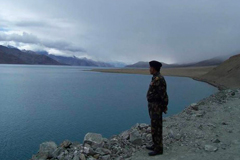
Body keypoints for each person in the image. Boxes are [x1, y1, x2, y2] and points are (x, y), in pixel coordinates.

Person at [146, 60, 169, 156]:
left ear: (153, 68)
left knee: (157, 127)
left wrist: (164, 106)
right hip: (153, 106)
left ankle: (159, 149)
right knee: (154, 126)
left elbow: (163, 95)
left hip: (157, 107)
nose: (149, 69)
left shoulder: (159, 79)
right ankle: (155, 144)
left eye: (150, 67)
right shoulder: (155, 78)